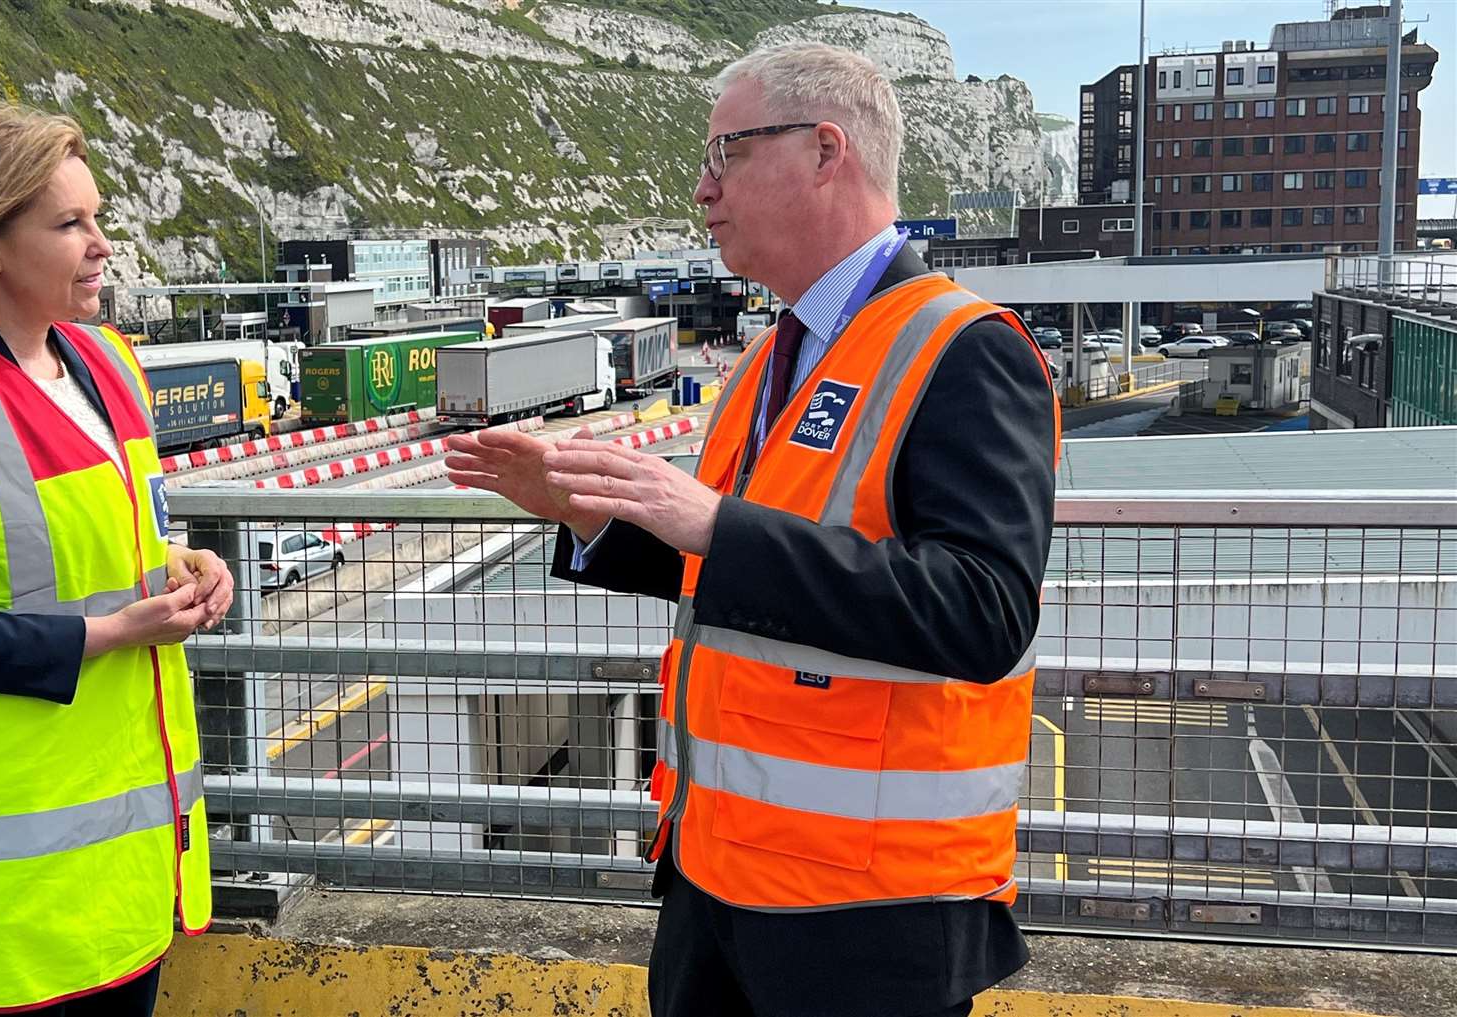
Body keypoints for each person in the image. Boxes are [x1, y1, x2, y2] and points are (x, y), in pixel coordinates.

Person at [445, 43, 1059, 1017]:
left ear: (826, 153)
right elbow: (725, 572)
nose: (701, 188)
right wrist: (592, 515)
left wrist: (718, 528)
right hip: (716, 881)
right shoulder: (774, 359)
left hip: (867, 915)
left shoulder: (963, 350)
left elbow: (982, 614)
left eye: (725, 153)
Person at [0, 103, 233, 1016]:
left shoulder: (108, 365)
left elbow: (103, 537)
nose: (102, 244)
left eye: (97, 217)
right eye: (69, 224)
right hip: (16, 908)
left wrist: (183, 565)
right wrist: (110, 632)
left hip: (126, 879)